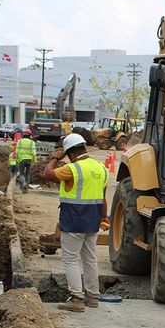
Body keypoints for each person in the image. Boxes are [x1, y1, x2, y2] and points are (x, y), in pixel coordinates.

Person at [42, 133, 110, 312]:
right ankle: (92, 297)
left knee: (70, 259)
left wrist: (55, 158)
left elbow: (47, 174)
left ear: (70, 154)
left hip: (74, 221)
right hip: (92, 222)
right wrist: (104, 217)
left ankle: (77, 299)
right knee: (89, 258)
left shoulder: (73, 169)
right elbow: (103, 198)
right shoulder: (101, 168)